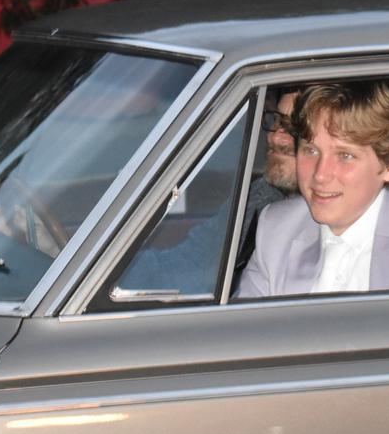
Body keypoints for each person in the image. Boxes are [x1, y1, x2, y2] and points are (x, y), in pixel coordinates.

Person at [236, 80, 389, 297]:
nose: (321, 175)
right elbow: (241, 339)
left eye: (345, 156)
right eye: (311, 150)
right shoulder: (275, 228)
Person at [114, 89, 300, 294]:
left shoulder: (332, 227)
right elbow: (193, 265)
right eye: (277, 120)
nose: (276, 137)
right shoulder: (262, 196)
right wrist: (111, 274)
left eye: (295, 126)